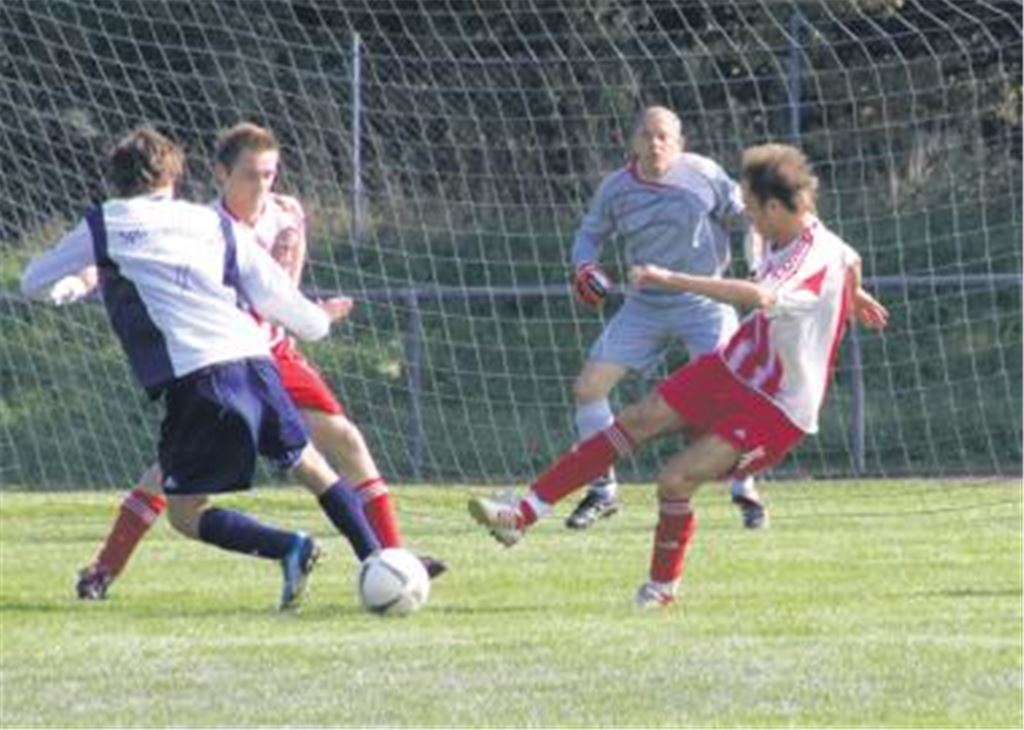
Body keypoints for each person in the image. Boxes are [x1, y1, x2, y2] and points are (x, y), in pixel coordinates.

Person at [469, 143, 889, 608]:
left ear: (774, 206)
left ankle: (662, 589)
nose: (747, 215)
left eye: (750, 207)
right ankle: (521, 514)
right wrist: (854, 295)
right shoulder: (784, 233)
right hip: (734, 367)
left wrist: (672, 279)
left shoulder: (809, 253)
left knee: (675, 480)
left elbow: (759, 295)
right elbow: (851, 260)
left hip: (778, 405)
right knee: (635, 418)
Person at [64, 122, 445, 600]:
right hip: (227, 353)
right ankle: (106, 566)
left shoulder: (287, 214)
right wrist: (84, 276)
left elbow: (279, 289)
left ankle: (392, 559)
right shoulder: (198, 222)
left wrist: (311, 313)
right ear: (222, 175)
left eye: (270, 174)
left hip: (272, 350)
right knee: (166, 472)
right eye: (251, 175)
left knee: (344, 440)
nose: (262, 185)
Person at [565, 106, 768, 531]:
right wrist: (585, 267)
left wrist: (756, 265)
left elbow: (749, 218)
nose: (655, 143)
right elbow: (589, 234)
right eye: (646, 135)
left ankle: (745, 486)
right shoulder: (616, 188)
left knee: (734, 393)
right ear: (633, 141)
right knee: (588, 388)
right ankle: (602, 489)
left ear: (679, 142)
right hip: (646, 304)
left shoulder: (704, 174)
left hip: (702, 299)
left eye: (663, 136)